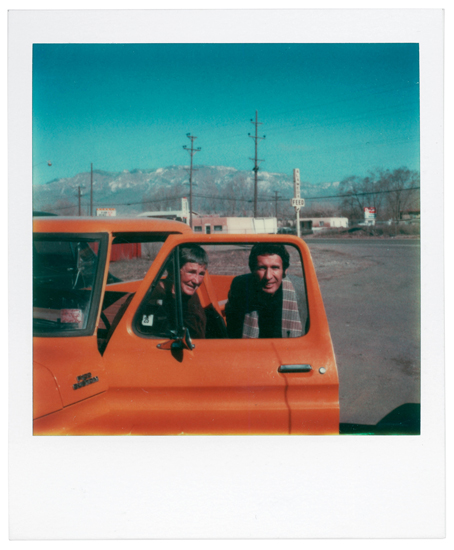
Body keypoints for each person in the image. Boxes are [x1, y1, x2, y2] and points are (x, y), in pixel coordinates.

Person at [225, 243, 307, 339]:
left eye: (275, 267)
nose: (268, 276)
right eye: (262, 268)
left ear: (285, 270)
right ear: (253, 270)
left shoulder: (301, 289)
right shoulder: (240, 286)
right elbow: (232, 329)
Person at [142, 245, 208, 339]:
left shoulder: (190, 294)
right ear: (173, 270)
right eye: (191, 272)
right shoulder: (149, 298)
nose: (196, 281)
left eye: (201, 274)